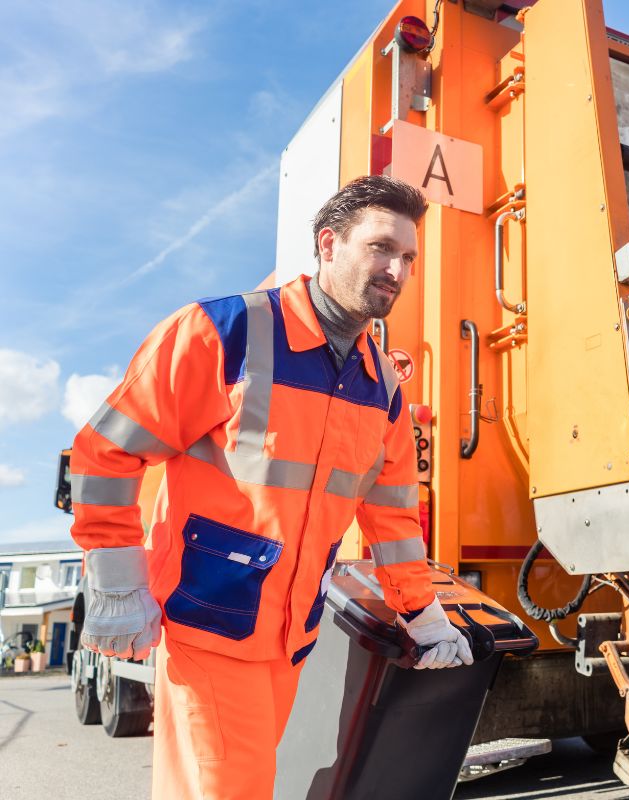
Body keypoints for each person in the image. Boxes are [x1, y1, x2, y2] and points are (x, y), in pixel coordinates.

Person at [69, 175, 472, 799]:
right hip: (208, 626)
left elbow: (393, 526)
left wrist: (424, 617)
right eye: (382, 248)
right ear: (329, 243)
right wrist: (117, 582)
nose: (397, 268)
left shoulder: (384, 390)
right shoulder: (223, 333)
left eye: (409, 258)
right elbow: (107, 450)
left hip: (290, 641)